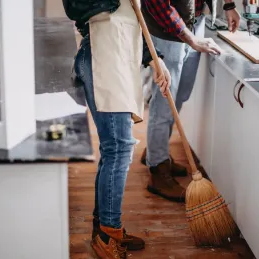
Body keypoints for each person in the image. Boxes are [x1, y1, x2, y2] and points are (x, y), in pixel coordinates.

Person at [63, 0, 172, 258]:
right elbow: (73, 6)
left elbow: (135, 21)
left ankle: (105, 227)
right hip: (103, 52)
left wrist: (156, 59)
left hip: (121, 54)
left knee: (113, 148)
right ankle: (107, 232)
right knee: (119, 149)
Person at [140, 0, 241, 202]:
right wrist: (190, 38)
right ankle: (158, 170)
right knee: (165, 104)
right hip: (166, 32)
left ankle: (155, 151)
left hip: (196, 23)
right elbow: (158, 5)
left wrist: (229, 5)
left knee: (179, 97)